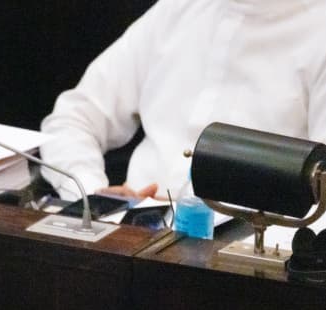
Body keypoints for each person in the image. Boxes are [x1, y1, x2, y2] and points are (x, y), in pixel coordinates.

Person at [38, 0, 326, 201]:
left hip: (248, 253)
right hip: (128, 237)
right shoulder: (176, 10)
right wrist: (92, 196)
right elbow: (72, 119)